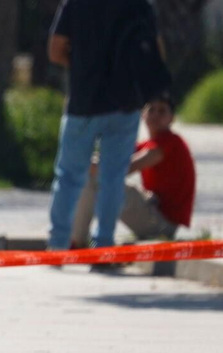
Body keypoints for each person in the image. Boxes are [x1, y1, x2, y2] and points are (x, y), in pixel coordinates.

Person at [46, 0, 166, 254]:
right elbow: (157, 54)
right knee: (113, 178)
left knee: (69, 176)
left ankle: (58, 244)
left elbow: (55, 51)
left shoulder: (75, 1)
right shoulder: (139, 7)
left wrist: (80, 65)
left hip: (82, 103)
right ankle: (105, 245)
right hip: (125, 105)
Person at [71, 96, 195, 247]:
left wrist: (88, 163)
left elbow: (125, 168)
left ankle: (76, 240)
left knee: (99, 180)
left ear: (172, 119)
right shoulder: (147, 144)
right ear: (143, 115)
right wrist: (90, 160)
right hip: (154, 212)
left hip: (163, 225)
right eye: (151, 110)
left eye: (162, 111)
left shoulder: (171, 142)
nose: (155, 115)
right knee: (94, 176)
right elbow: (113, 157)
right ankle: (77, 238)